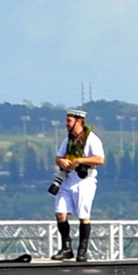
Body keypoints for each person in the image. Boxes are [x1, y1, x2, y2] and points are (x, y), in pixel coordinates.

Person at [51, 109, 106, 261]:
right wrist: (62, 161)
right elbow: (59, 157)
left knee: (83, 215)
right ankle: (66, 247)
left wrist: (80, 161)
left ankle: (83, 249)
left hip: (84, 180)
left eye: (69, 121)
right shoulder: (68, 140)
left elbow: (100, 159)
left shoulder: (92, 139)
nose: (66, 124)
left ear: (78, 121)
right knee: (60, 212)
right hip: (68, 178)